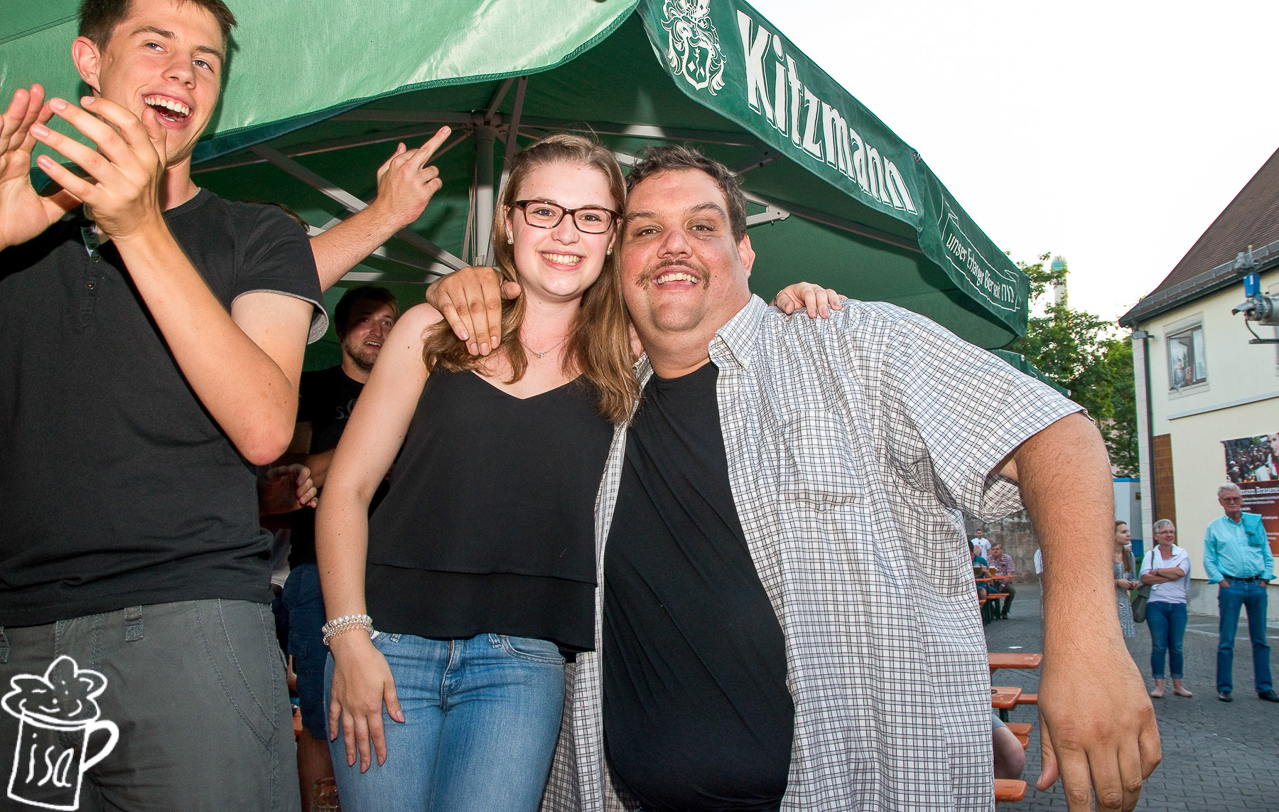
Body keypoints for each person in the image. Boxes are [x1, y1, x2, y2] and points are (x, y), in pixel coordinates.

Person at [429, 145, 1160, 811]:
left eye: (702, 225)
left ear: (745, 252)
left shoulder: (854, 344)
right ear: (618, 263)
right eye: (645, 230)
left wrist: (1086, 637)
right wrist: (471, 288)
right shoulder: (592, 405)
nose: (673, 244)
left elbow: (1054, 434)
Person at [315, 135, 837, 812]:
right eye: (544, 211)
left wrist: (795, 301)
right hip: (386, 646)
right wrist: (349, 638)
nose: (566, 233)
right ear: (508, 220)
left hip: (520, 664)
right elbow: (346, 490)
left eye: (590, 216)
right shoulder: (428, 330)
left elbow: (718, 318)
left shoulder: (627, 353)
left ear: (614, 236)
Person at [0, 0, 328, 810]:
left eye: (207, 62)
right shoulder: (14, 227)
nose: (184, 72)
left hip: (193, 621)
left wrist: (138, 225)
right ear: (89, 61)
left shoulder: (259, 233)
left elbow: (264, 427)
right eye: (156, 45)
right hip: (18, 638)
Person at [280, 285, 399, 808]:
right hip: (316, 572)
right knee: (321, 717)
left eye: (390, 322)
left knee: (393, 713)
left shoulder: (412, 391)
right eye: (365, 321)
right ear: (341, 332)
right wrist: (375, 449)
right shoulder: (310, 388)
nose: (379, 332)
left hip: (396, 570)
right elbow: (288, 482)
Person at [1204, 482, 1276, 703]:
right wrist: (1223, 582)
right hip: (1232, 587)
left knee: (1260, 640)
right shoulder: (1214, 528)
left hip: (1256, 586)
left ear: (1241, 499)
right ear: (1221, 502)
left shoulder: (1254, 522)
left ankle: (1264, 687)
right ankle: (1224, 687)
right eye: (1228, 500)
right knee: (1227, 639)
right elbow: (1209, 559)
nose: (1233, 502)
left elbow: (1266, 552)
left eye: (1236, 498)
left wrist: (1265, 579)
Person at [1139, 519, 1192, 698]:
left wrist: (1158, 572)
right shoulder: (1150, 555)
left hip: (1178, 605)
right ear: (1156, 536)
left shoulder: (1182, 553)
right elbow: (1145, 579)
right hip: (1156, 605)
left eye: (1171, 532)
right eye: (1165, 532)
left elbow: (1181, 573)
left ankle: (1178, 685)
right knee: (1159, 646)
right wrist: (1169, 574)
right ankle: (1159, 686)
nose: (1169, 535)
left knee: (1176, 647)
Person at [1114, 521, 1138, 638]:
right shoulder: (1105, 556)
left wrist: (1134, 583)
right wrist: (1118, 582)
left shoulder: (1129, 555)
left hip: (1124, 601)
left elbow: (1133, 576)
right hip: (1110, 604)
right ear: (1113, 535)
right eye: (1123, 532)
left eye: (1128, 531)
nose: (1128, 534)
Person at [989, 541, 1017, 619]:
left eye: (997, 549)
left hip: (1004, 582)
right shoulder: (989, 559)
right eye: (993, 549)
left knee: (1011, 590)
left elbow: (1009, 574)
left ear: (1001, 550)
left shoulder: (1007, 558)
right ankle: (993, 611)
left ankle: (1005, 611)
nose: (995, 551)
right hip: (992, 582)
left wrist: (1003, 585)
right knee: (985, 593)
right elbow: (987, 573)